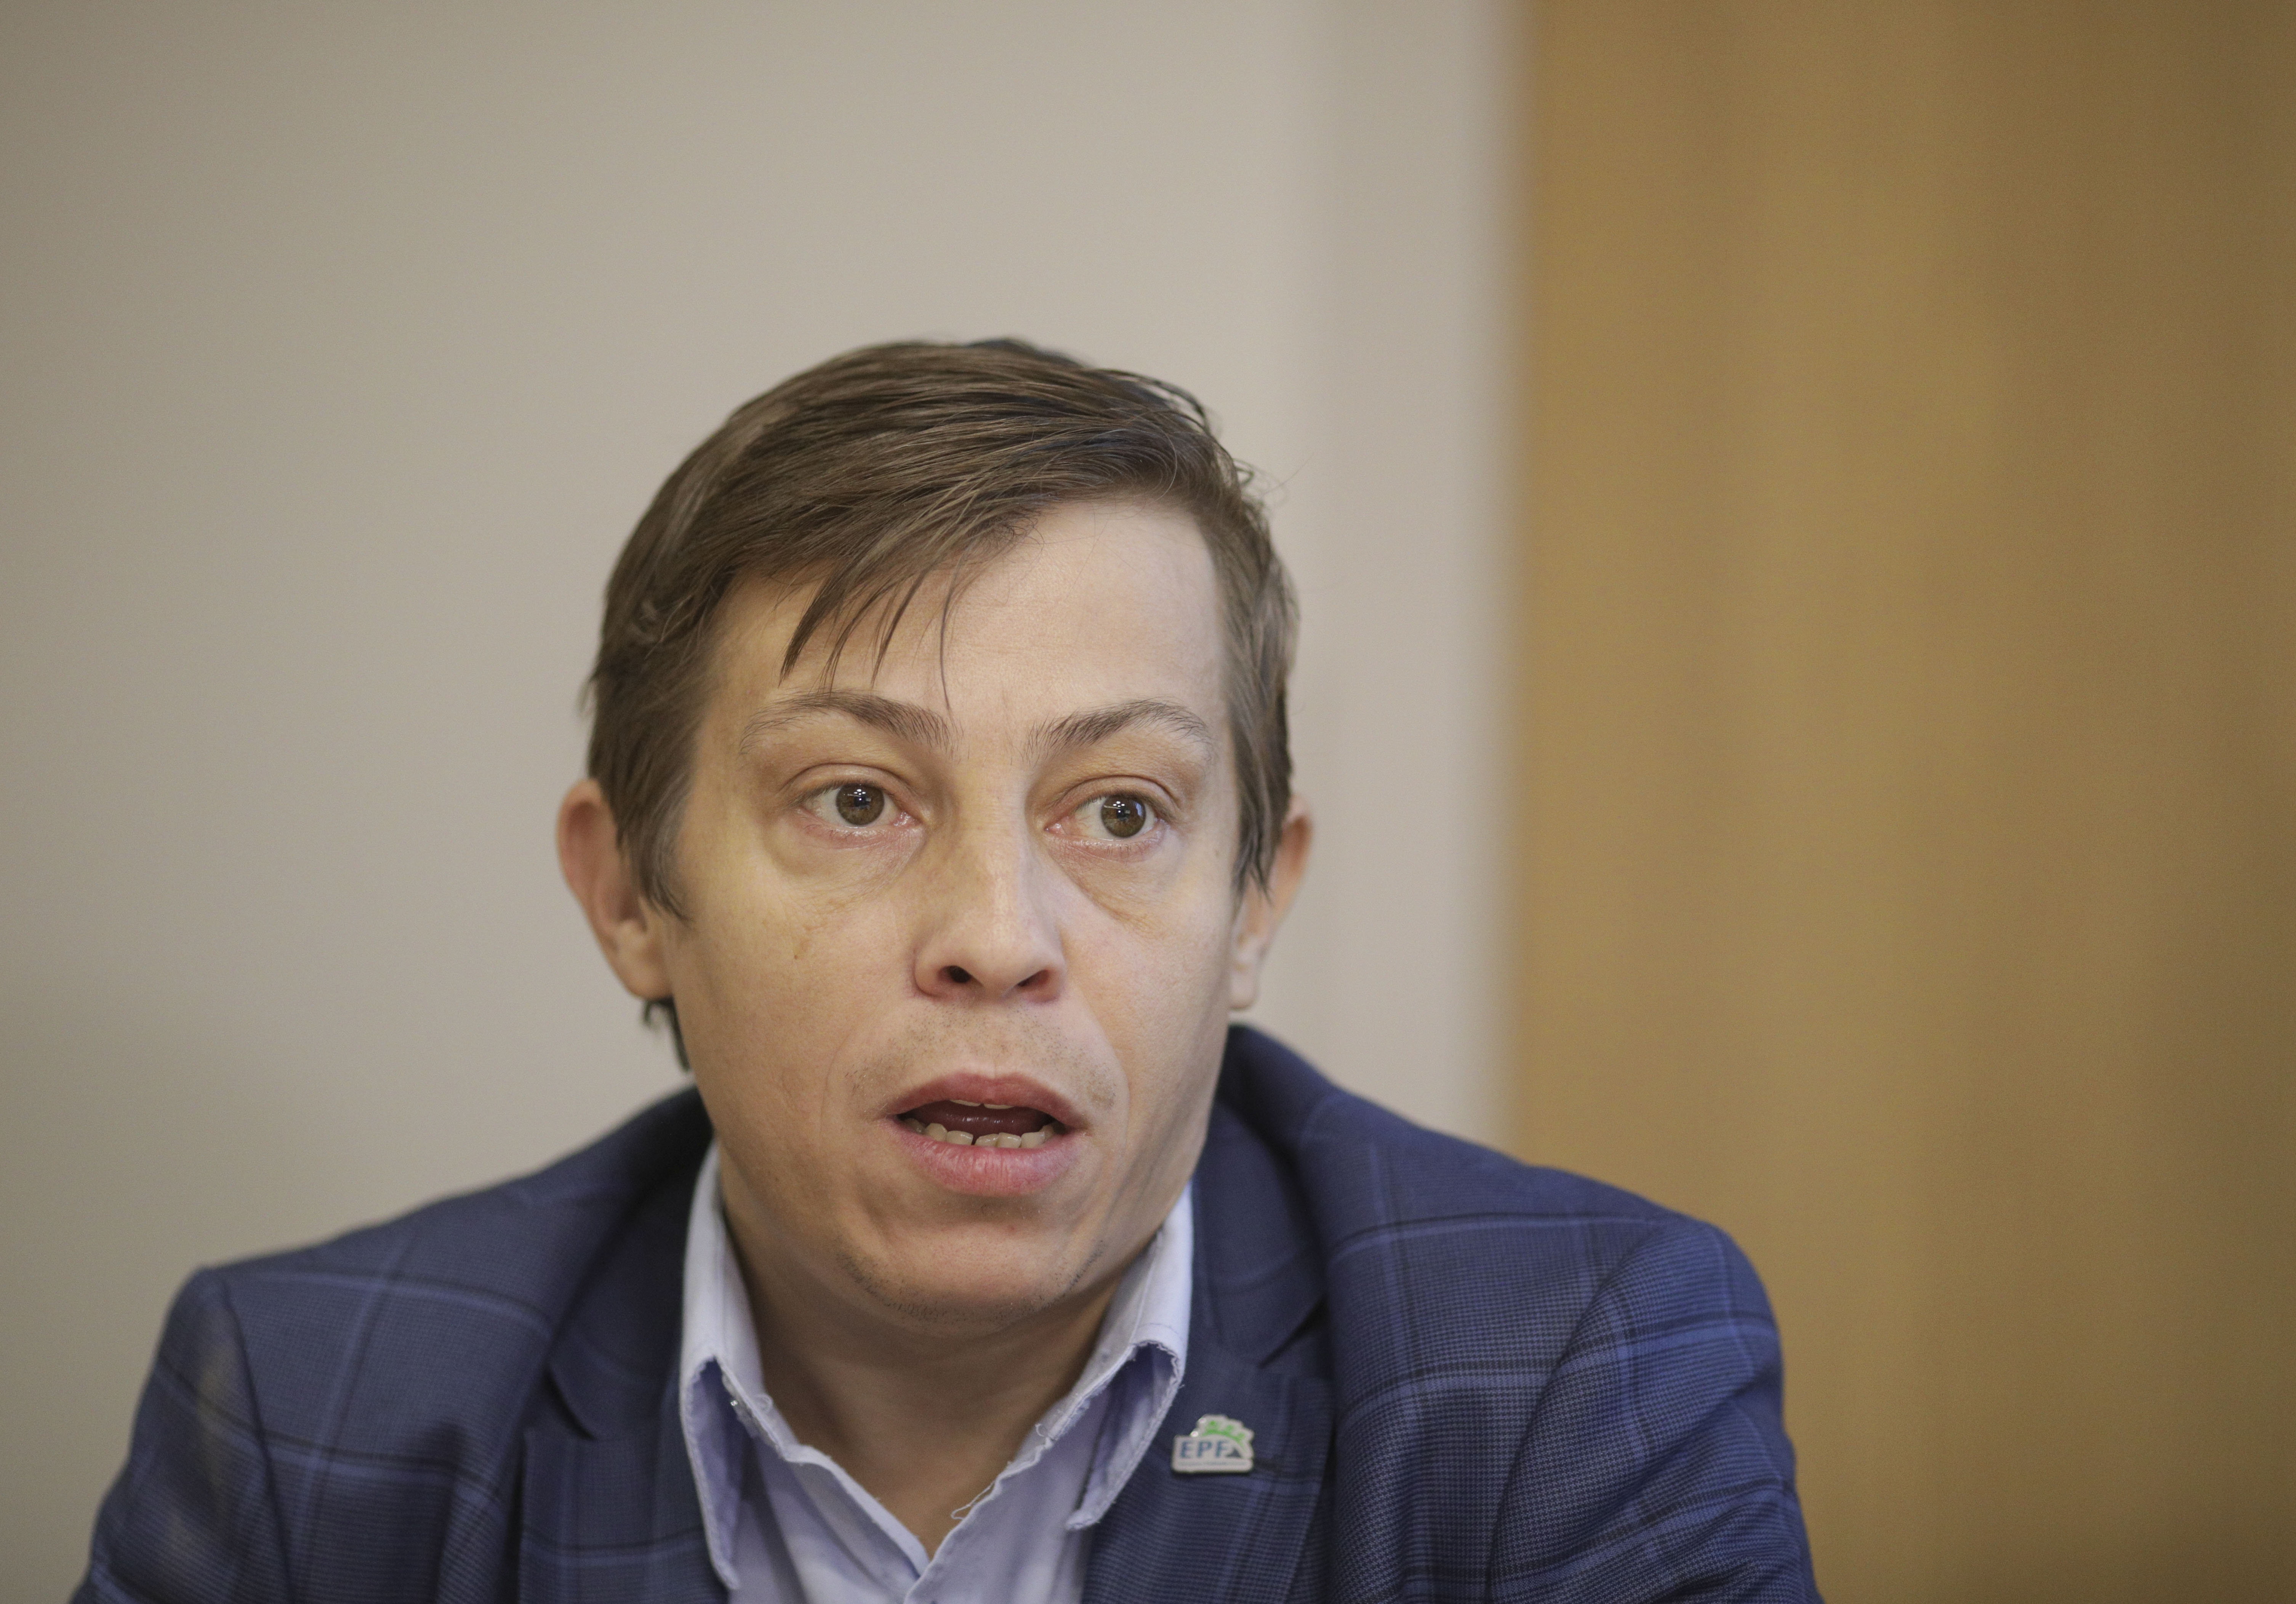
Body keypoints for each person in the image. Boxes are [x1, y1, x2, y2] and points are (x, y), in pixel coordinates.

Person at [77, 341, 1817, 1602]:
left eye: (1120, 811)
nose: (998, 935)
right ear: (629, 892)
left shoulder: (1573, 1378)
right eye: (856, 799)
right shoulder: (319, 1413)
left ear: (1254, 906)